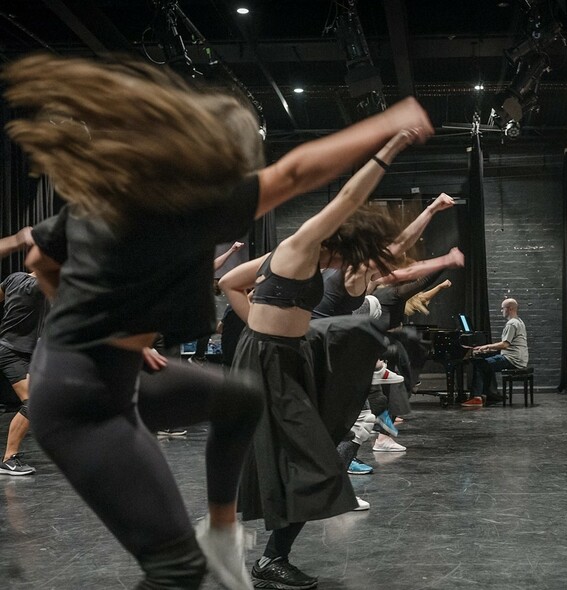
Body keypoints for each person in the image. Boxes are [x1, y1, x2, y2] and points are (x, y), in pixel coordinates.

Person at [6, 52, 432, 590]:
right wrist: (390, 124)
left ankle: (223, 531)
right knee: (176, 570)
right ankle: (216, 546)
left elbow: (39, 262)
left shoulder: (108, 199)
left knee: (239, 397)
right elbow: (299, 172)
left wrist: (109, 331)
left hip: (102, 373)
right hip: (80, 401)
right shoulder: (190, 206)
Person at [220, 129, 425, 589]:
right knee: (315, 461)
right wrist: (390, 146)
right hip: (270, 362)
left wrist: (261, 325)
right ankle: (270, 559)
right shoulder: (299, 245)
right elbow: (351, 194)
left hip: (291, 357)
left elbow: (228, 282)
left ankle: (271, 557)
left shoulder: (311, 260)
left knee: (315, 457)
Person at [0, 272, 49, 476]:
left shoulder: (14, 278)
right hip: (13, 353)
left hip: (16, 350)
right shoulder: (38, 288)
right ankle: (8, 459)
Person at [462, 298, 529, 408]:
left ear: (510, 309)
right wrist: (487, 349)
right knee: (487, 365)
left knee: (479, 365)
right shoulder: (519, 322)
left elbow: (505, 344)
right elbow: (509, 345)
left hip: (512, 359)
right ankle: (484, 394)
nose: (501, 311)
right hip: (519, 358)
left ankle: (477, 398)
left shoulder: (511, 324)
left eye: (503, 308)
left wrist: (486, 347)